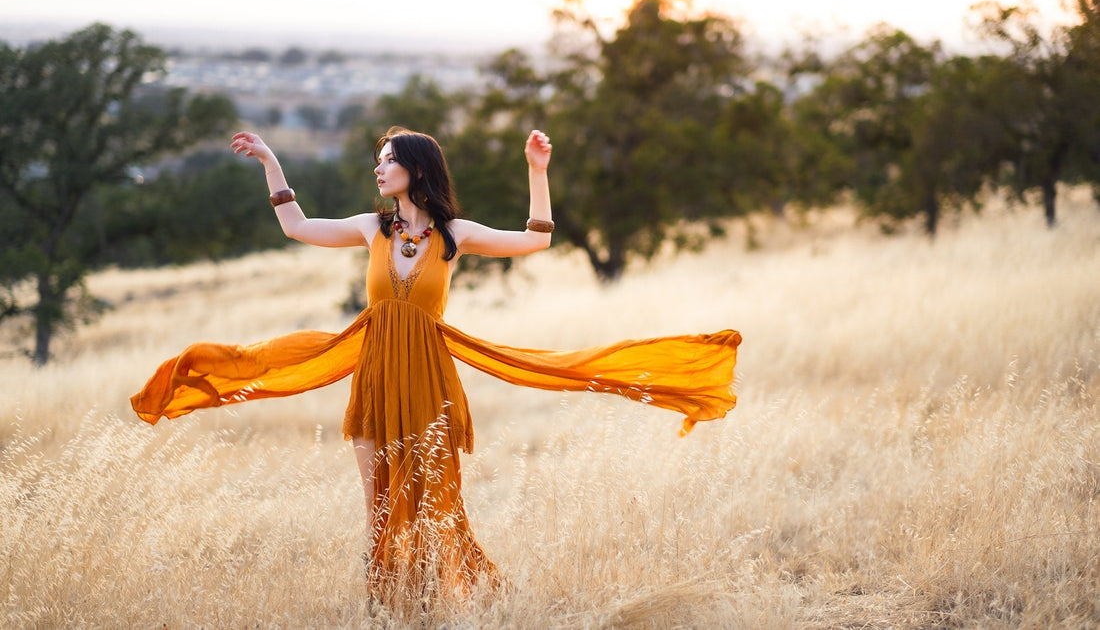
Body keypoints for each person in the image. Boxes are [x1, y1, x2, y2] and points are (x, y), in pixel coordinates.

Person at [131, 126, 741, 604]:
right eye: (378, 160)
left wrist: (537, 172)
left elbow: (537, 239)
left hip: (428, 382)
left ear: (415, 169)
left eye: (387, 159)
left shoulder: (455, 234)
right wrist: (271, 162)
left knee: (430, 500)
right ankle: (387, 606)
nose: (378, 168)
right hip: (375, 380)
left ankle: (436, 600)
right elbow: (295, 226)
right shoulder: (371, 227)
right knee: (379, 503)